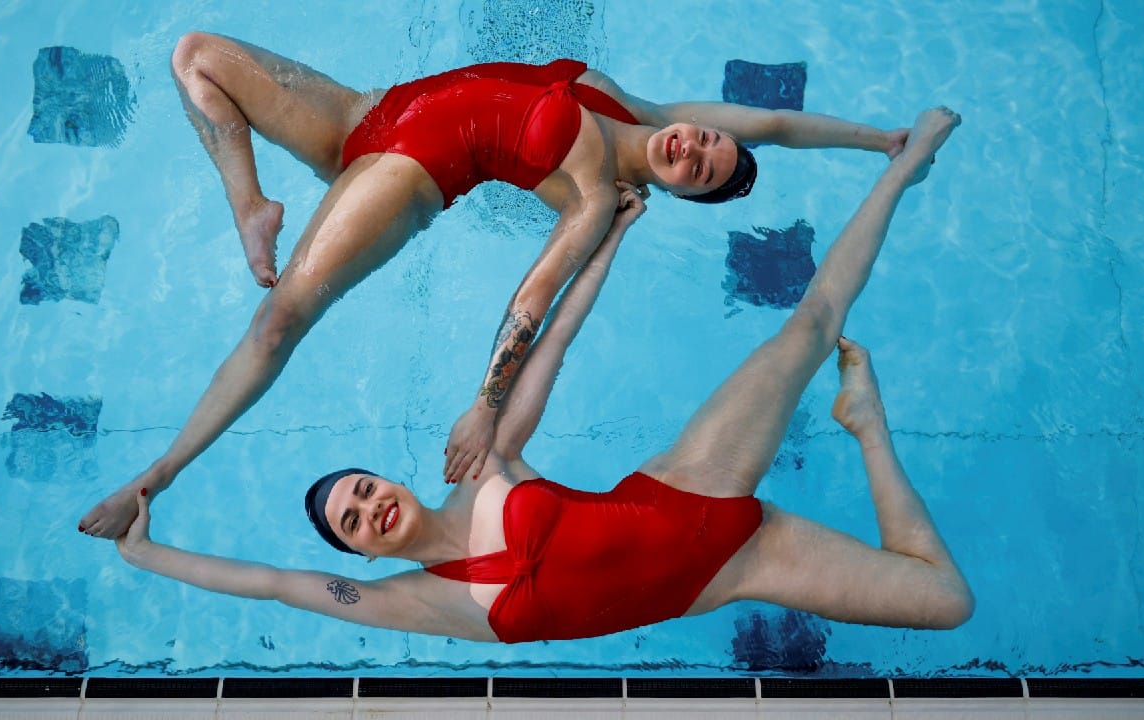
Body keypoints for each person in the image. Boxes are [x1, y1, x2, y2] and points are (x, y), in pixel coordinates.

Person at [112, 107, 973, 643]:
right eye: (356, 520)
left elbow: (553, 346)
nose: (372, 505)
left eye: (364, 488)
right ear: (357, 552)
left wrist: (610, 241)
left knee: (811, 327)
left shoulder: (479, 467)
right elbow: (268, 584)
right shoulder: (412, 603)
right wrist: (147, 555)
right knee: (947, 603)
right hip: (737, 568)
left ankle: (905, 164)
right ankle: (867, 426)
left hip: (688, 487)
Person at [80, 31, 911, 538]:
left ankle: (159, 472)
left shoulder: (589, 201)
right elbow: (771, 124)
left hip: (405, 172)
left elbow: (529, 305)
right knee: (196, 58)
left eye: (699, 172)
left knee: (278, 322)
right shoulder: (636, 106)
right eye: (706, 143)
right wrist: (881, 140)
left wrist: (485, 404)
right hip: (366, 112)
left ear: (678, 191)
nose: (693, 150)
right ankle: (251, 205)